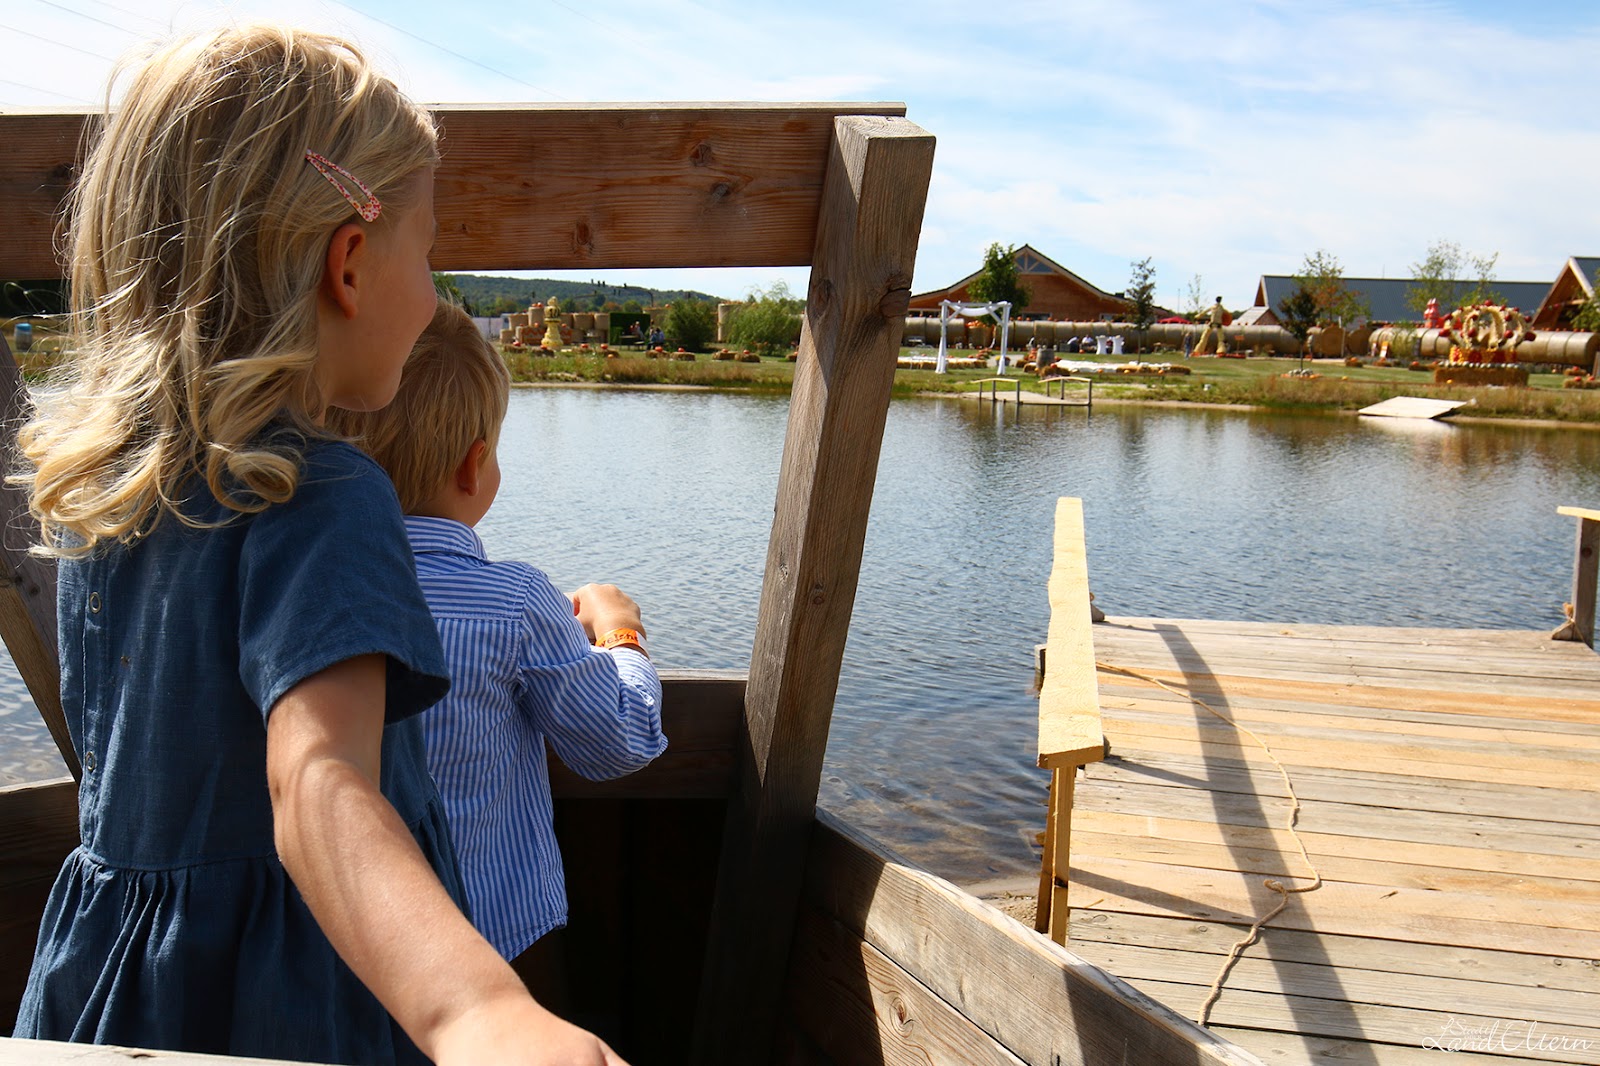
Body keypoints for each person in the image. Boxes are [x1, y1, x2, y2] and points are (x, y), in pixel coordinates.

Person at [11, 24, 623, 1066]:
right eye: (427, 254)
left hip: (114, 995)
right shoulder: (327, 492)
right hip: (293, 1001)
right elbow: (316, 785)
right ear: (349, 261)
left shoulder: (103, 494)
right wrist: (474, 1010)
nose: (434, 295)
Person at [327, 302, 666, 1009]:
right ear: (474, 465)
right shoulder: (515, 602)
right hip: (498, 944)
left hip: (339, 956)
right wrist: (618, 634)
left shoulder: (305, 595)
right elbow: (618, 742)